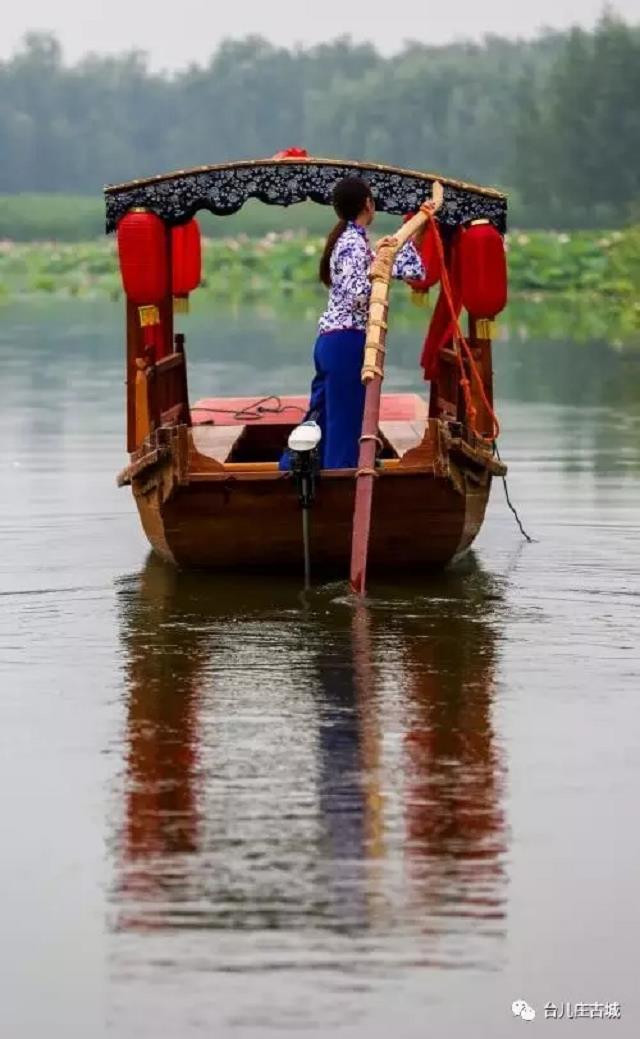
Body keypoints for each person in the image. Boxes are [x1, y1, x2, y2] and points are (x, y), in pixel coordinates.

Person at [282, 176, 427, 471]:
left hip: (334, 341)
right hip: (345, 342)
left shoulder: (354, 239)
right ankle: (342, 478)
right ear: (368, 204)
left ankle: (294, 469)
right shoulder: (351, 243)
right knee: (346, 421)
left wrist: (407, 240)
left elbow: (407, 270)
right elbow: (359, 292)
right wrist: (379, 265)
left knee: (321, 417)